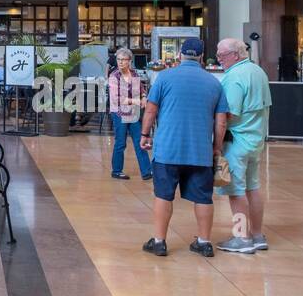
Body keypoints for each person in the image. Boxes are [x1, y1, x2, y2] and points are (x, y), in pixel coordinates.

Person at [139, 38, 230, 258]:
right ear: (201, 56)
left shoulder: (164, 77)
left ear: (180, 54)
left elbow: (150, 111)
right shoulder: (214, 83)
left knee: (163, 195)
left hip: (167, 150)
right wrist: (216, 147)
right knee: (203, 197)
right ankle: (204, 242)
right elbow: (221, 122)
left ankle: (159, 242)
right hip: (200, 152)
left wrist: (144, 134)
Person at [214, 38, 273, 254]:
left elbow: (228, 114)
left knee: (235, 191)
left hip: (236, 142)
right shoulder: (258, 71)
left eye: (222, 55)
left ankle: (241, 237)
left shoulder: (234, 77)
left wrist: (216, 143)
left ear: (236, 55)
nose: (218, 59)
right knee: (253, 188)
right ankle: (257, 235)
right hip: (255, 140)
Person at [108, 47, 152, 181]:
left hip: (133, 114)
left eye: (123, 60)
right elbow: (118, 99)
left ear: (130, 61)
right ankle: (116, 170)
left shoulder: (134, 74)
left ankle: (147, 171)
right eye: (118, 59)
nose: (120, 62)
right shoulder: (114, 76)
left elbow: (141, 89)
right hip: (119, 114)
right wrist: (137, 101)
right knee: (121, 143)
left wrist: (144, 97)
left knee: (140, 142)